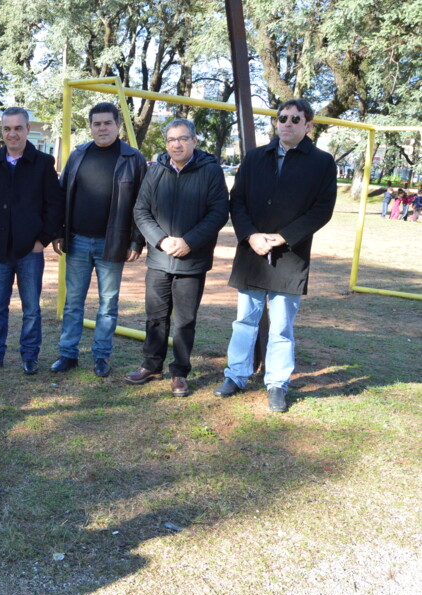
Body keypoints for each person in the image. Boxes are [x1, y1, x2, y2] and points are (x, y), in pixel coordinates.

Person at [214, 99, 337, 412]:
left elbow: (322, 210)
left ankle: (277, 383)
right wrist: (251, 235)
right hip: (252, 251)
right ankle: (237, 375)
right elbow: (236, 201)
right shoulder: (255, 158)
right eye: (282, 117)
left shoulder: (322, 163)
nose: (287, 123)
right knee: (244, 320)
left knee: (281, 326)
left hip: (290, 255)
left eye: (296, 119)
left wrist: (284, 237)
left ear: (309, 125)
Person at [125, 119, 229, 396]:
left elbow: (219, 213)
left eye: (183, 138)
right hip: (159, 258)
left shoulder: (211, 172)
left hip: (192, 260)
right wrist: (160, 240)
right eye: (171, 139)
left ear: (194, 141)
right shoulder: (156, 170)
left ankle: (180, 371)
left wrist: (189, 242)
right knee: (155, 317)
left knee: (185, 320)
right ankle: (151, 364)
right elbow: (141, 210)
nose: (176, 144)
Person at [50, 102, 147, 377]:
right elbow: (61, 194)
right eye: (97, 123)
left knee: (107, 305)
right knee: (73, 303)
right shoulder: (78, 155)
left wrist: (136, 241)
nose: (102, 128)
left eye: (107, 123)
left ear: (118, 126)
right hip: (78, 240)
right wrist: (58, 231)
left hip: (112, 244)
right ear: (90, 126)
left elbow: (143, 203)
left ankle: (101, 356)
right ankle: (67, 354)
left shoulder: (133, 159)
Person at [0, 107, 64, 375]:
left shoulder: (43, 163)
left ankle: (30, 355)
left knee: (31, 308)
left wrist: (42, 240)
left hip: (29, 249)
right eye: (7, 128)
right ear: (2, 131)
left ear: (27, 129)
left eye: (18, 128)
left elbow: (53, 205)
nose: (12, 133)